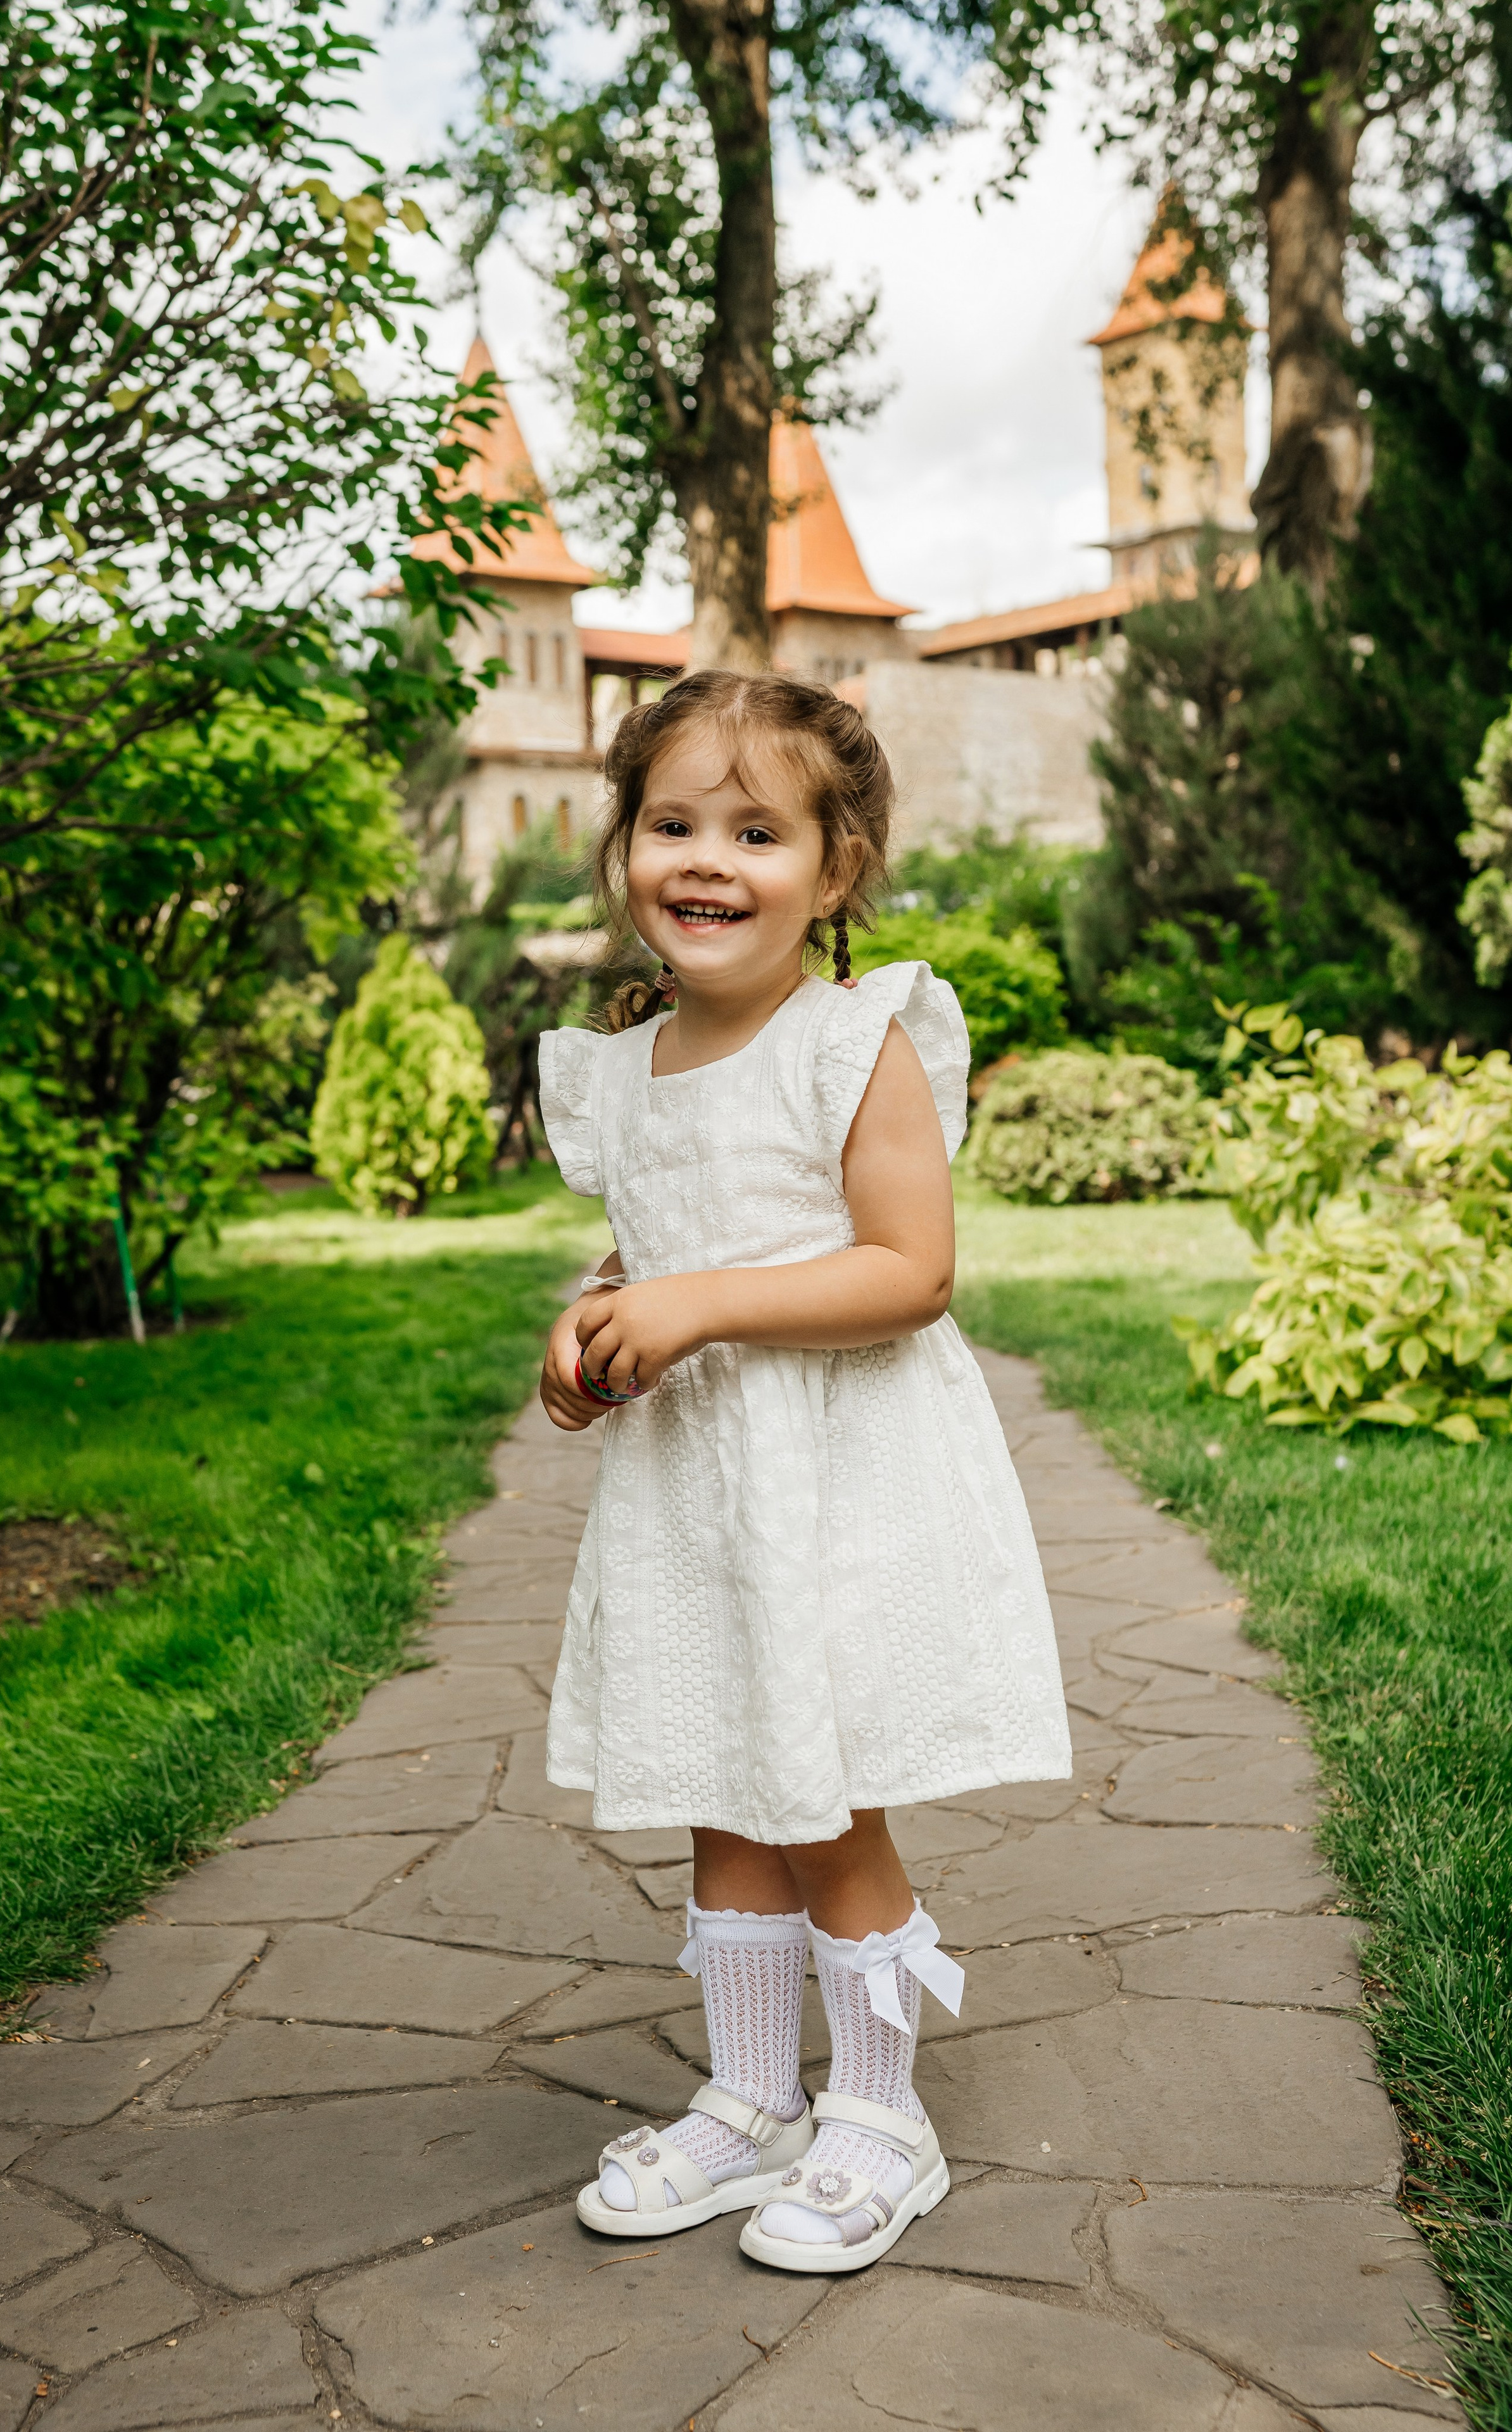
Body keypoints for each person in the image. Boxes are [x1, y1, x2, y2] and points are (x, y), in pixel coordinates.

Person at [536, 669, 1069, 2272]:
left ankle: (881, 2121)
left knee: (825, 1798)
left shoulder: (855, 1038)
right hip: (695, 1499)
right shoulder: (620, 1068)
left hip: (837, 1485)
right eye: (671, 821)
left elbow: (908, 1269)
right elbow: (652, 1256)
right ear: (625, 846)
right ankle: (753, 2097)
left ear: (831, 873)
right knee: (719, 1790)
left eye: (754, 831)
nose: (704, 858)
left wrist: (700, 1304)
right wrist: (598, 1332)